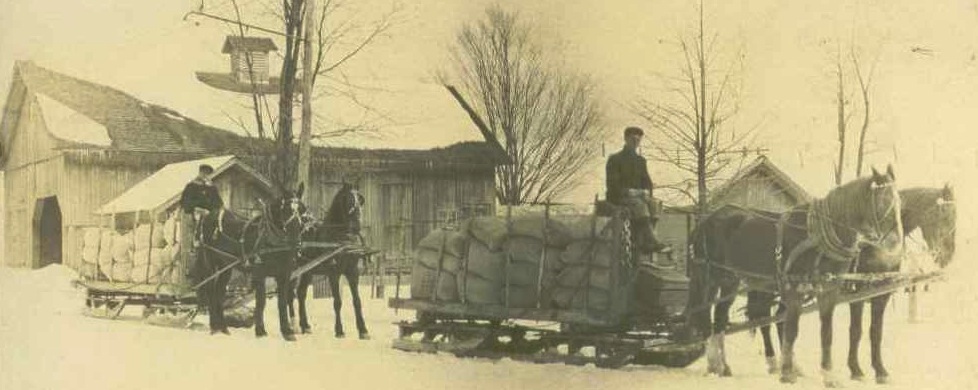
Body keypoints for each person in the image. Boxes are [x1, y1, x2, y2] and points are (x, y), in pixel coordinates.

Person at [605, 126, 672, 258]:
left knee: (654, 204)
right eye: (632, 139)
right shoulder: (615, 159)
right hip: (619, 197)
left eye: (638, 139)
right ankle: (653, 241)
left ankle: (646, 240)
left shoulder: (641, 161)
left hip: (638, 197)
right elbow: (612, 184)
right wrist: (630, 192)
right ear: (626, 139)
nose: (635, 142)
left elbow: (647, 182)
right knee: (640, 205)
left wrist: (646, 192)